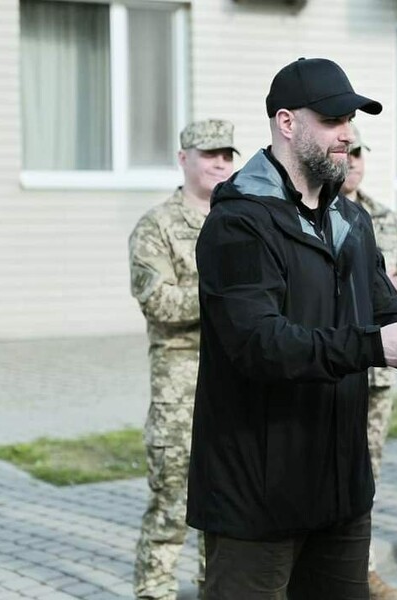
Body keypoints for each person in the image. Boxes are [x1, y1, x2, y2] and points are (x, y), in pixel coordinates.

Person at [186, 57, 397, 599]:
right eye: (332, 121)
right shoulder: (238, 222)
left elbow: (383, 311)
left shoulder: (351, 220)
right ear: (287, 123)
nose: (346, 136)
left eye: (350, 121)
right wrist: (374, 346)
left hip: (340, 491)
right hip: (256, 494)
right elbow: (258, 344)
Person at [128, 119, 237, 600]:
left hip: (233, 384)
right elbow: (160, 304)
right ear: (183, 159)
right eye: (208, 153)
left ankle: (210, 590)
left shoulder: (239, 218)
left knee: (222, 506)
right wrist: (226, 297)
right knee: (172, 503)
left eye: (227, 154)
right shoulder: (157, 226)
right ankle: (154, 590)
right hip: (180, 387)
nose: (220, 162)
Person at [340, 126, 397, 600]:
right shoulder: (319, 214)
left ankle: (360, 568)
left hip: (379, 376)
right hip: (339, 363)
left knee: (367, 473)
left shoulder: (384, 218)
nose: (352, 161)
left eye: (358, 154)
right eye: (345, 152)